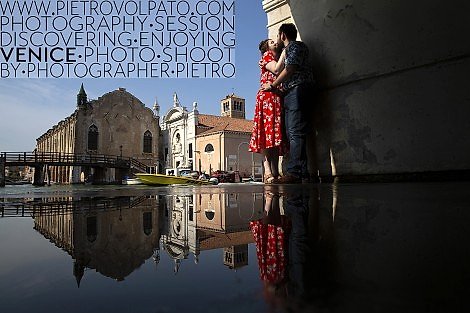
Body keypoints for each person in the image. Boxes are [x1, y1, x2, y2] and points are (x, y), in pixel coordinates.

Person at [262, 23, 314, 184]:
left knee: (294, 132)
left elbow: (289, 68)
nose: (276, 40)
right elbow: (280, 67)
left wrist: (273, 85)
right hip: (299, 90)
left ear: (283, 35)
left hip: (296, 91)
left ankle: (295, 172)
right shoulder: (297, 48)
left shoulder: (293, 47)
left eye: (277, 36)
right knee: (297, 132)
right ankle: (303, 173)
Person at [249, 38, 286, 184]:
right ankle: (268, 170)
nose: (274, 43)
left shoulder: (277, 58)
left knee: (275, 135)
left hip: (276, 98)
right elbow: (276, 69)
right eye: (271, 42)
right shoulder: (267, 56)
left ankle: (275, 171)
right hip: (267, 98)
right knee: (266, 133)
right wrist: (284, 52)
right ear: (266, 49)